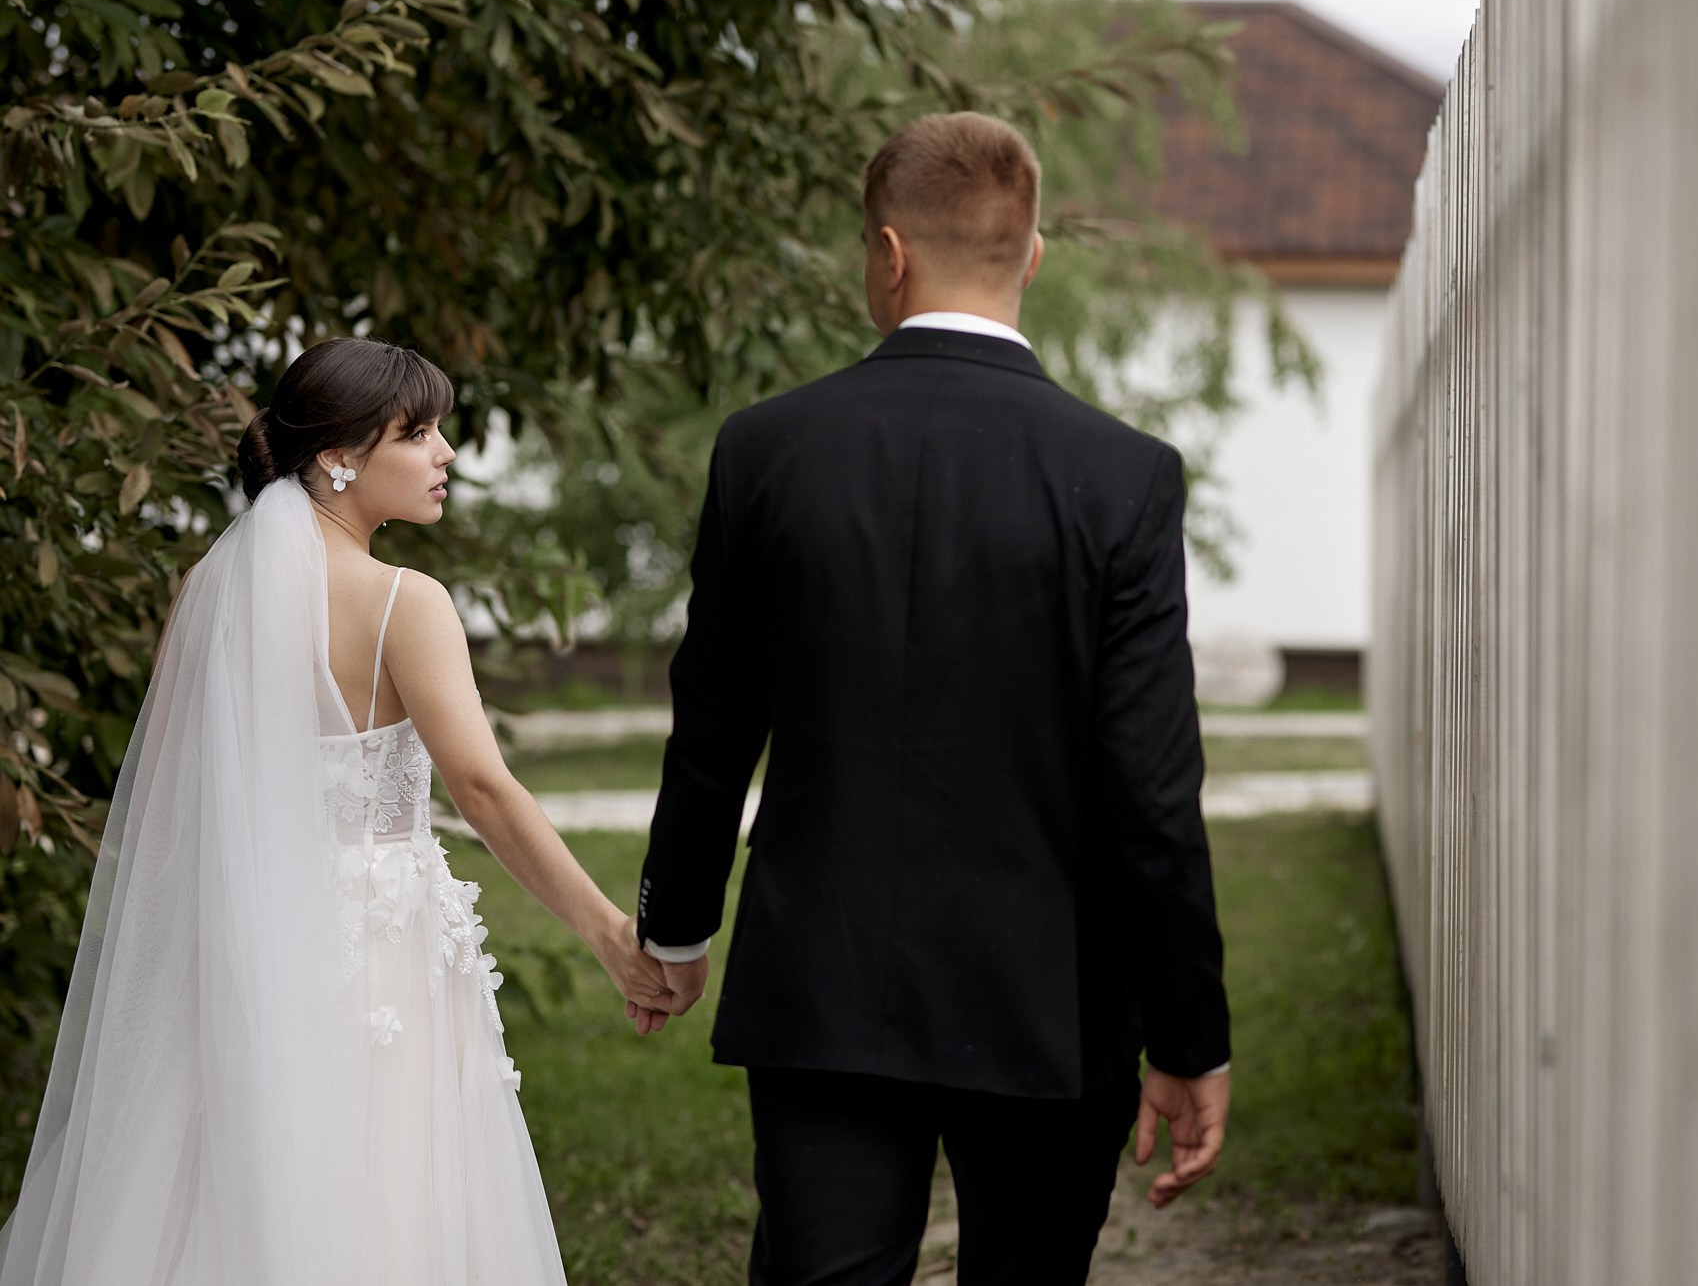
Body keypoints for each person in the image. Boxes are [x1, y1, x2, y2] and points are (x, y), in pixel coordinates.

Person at [632, 112, 1233, 1284]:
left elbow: (711, 728)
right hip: (1049, 996)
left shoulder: (764, 450)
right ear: (1034, 255)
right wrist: (1187, 1033)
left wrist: (676, 929)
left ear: (888, 253)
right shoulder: (1123, 478)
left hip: (824, 985)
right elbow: (1150, 788)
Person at [0, 338, 673, 1286]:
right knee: (388, 1193)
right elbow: (482, 788)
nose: (447, 454)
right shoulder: (406, 602)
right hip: (380, 957)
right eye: (421, 432)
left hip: (237, 941)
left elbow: (161, 795)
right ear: (338, 457)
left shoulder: (206, 591)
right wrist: (610, 932)